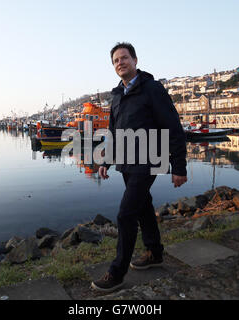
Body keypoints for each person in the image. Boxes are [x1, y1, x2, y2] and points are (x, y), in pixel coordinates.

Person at [91, 42, 188, 293]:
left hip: (148, 160)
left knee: (126, 215)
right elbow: (113, 132)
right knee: (143, 207)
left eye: (124, 58)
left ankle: (117, 272)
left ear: (135, 60)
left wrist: (179, 167)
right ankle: (154, 253)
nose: (120, 63)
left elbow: (173, 127)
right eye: (115, 61)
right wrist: (105, 161)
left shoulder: (152, 89)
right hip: (126, 162)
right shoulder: (116, 95)